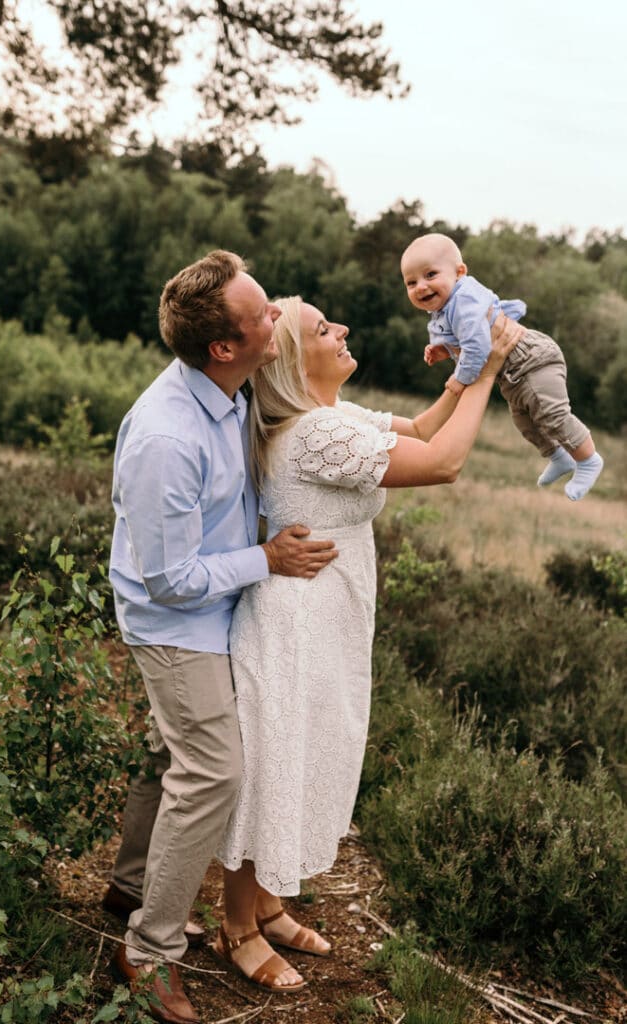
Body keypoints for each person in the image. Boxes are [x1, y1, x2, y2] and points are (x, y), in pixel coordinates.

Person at [212, 295, 523, 992]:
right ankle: (235, 926)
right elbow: (441, 462)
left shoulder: (331, 418)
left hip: (325, 615)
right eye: (324, 328)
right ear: (294, 359)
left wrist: (459, 372)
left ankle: (267, 903)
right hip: (292, 623)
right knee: (276, 763)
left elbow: (416, 427)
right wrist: (488, 372)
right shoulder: (314, 434)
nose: (343, 328)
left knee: (308, 750)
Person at [107, 250, 338, 1024]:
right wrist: (266, 559)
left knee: (165, 750)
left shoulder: (232, 391)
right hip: (176, 623)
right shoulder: (165, 439)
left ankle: (132, 886)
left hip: (220, 604)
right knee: (211, 770)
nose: (279, 316)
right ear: (224, 347)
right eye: (264, 313)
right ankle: (148, 951)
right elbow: (168, 580)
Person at [400, 232, 603, 501]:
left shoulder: (463, 300)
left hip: (532, 360)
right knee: (525, 422)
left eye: (430, 275)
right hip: (512, 374)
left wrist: (459, 379)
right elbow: (467, 341)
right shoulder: (445, 308)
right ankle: (559, 456)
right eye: (411, 282)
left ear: (459, 273)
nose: (421, 286)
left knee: (552, 414)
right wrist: (444, 350)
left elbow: (478, 346)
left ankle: (588, 460)